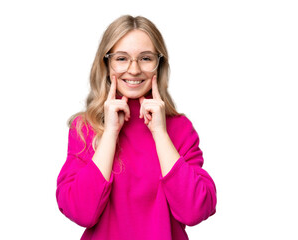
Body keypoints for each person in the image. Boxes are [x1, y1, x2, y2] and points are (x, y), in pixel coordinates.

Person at [56, 15, 217, 240]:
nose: (133, 70)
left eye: (145, 58)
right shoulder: (85, 128)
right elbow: (81, 212)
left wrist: (160, 133)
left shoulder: (180, 129)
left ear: (159, 65)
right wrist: (110, 133)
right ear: (106, 63)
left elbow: (196, 210)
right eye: (122, 58)